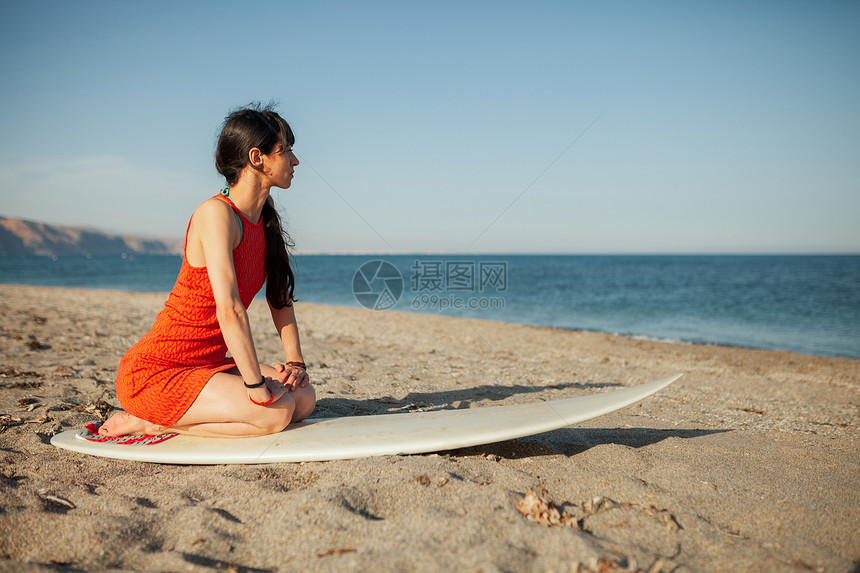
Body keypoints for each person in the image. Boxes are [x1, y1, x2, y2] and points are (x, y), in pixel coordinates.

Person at [99, 105, 315, 438]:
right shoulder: (217, 215)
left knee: (303, 398)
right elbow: (229, 310)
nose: (295, 161)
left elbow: (279, 297)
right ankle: (153, 420)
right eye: (285, 151)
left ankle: (186, 414)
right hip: (158, 371)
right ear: (257, 158)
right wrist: (256, 386)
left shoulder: (264, 218)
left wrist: (295, 364)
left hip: (208, 363)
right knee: (276, 414)